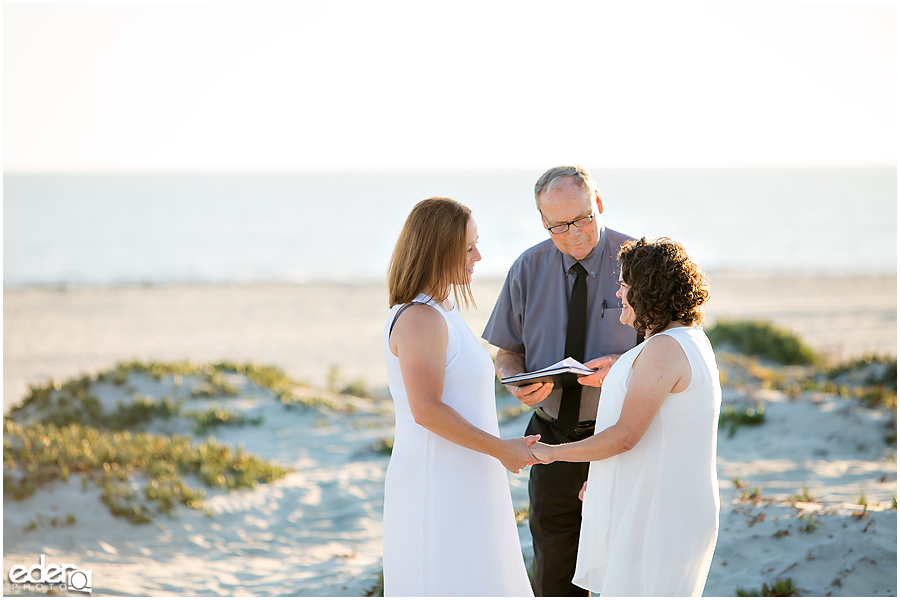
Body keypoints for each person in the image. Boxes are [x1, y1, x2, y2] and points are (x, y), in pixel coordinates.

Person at [529, 237, 722, 597]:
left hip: (662, 514)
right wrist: (605, 479)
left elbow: (625, 436)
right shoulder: (684, 339)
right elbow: (663, 425)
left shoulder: (665, 348)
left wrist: (552, 453)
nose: (618, 293)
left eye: (624, 285)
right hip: (661, 504)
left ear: (648, 291)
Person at [483, 165, 640, 596]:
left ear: (599, 204)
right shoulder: (527, 268)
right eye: (560, 225)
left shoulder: (639, 262)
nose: (575, 233)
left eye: (585, 217)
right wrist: (514, 380)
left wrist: (624, 367)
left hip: (624, 441)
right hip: (550, 440)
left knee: (621, 573)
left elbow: (674, 346)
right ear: (544, 222)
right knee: (554, 574)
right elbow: (507, 352)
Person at [382, 197, 535, 597]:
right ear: (438, 250)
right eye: (468, 248)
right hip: (439, 484)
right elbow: (427, 410)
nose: (478, 256)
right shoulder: (420, 318)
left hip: (468, 476)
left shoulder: (443, 309)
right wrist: (502, 449)